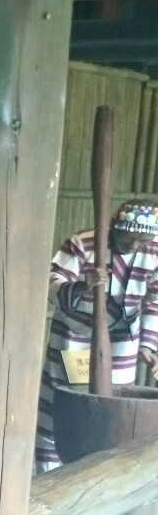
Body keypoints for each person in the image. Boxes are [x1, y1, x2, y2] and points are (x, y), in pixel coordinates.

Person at [35, 200, 158, 472]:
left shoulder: (154, 250)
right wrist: (81, 286)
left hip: (122, 343)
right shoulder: (83, 243)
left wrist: (148, 346)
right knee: (65, 406)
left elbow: (154, 301)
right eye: (130, 239)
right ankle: (50, 471)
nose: (136, 246)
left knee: (112, 408)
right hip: (75, 337)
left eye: (143, 241)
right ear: (115, 228)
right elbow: (50, 282)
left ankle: (101, 473)